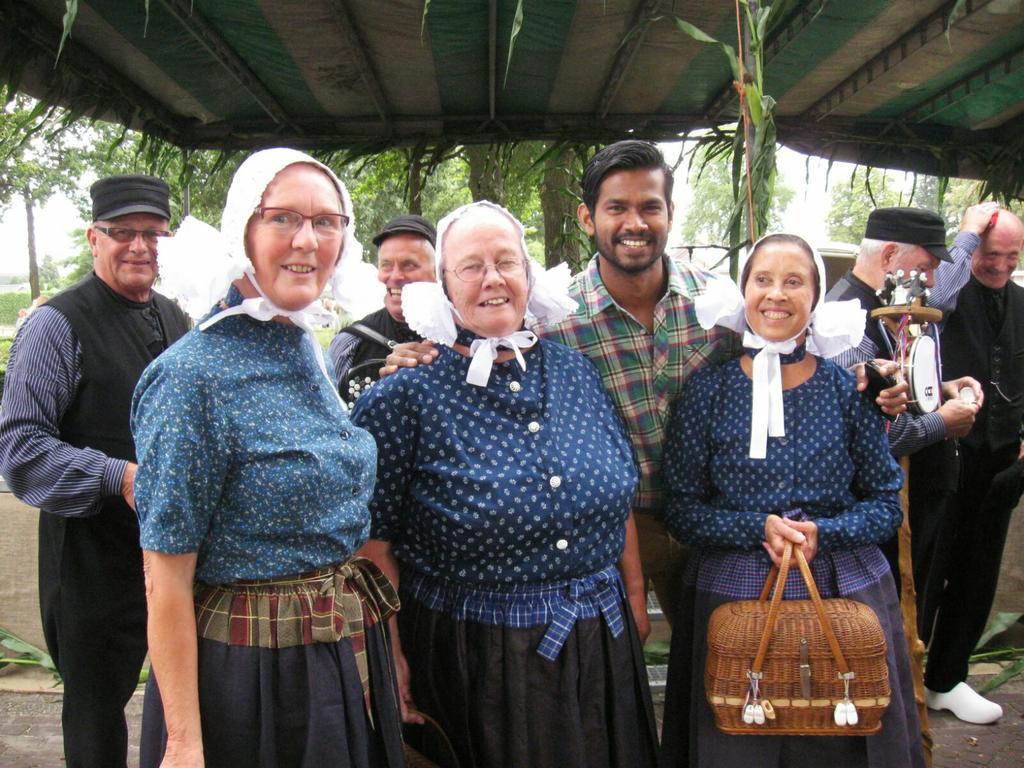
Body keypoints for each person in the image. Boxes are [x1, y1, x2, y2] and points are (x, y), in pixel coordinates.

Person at [352, 200, 658, 768]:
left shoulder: (577, 373)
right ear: (443, 286)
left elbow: (617, 501)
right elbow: (373, 543)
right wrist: (386, 653)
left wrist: (635, 601)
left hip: (600, 641)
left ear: (528, 275)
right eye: (471, 266)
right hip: (477, 657)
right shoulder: (402, 398)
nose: (493, 278)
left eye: (507, 262)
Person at [130, 148, 404, 767]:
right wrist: (183, 744)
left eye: (327, 221)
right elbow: (165, 578)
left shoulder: (303, 345)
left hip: (335, 655)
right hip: (253, 682)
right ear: (243, 234)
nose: (307, 239)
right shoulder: (191, 378)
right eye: (283, 218)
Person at [659, 233, 925, 768]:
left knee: (843, 734)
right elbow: (681, 509)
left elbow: (883, 502)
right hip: (731, 588)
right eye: (763, 279)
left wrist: (824, 534)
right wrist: (756, 527)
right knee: (736, 736)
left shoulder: (846, 389)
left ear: (814, 295)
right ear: (744, 290)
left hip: (841, 584)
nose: (776, 295)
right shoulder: (708, 391)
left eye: (793, 281)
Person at [0, 175, 189, 768]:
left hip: (173, 556)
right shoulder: (56, 325)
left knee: (181, 702)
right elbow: (21, 450)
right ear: (93, 238)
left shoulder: (177, 319)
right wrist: (120, 477)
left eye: (154, 235)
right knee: (95, 713)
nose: (140, 247)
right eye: (124, 233)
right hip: (89, 560)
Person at [824, 206, 989, 624]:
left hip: (924, 493)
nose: (932, 280)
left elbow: (944, 293)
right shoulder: (841, 319)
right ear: (889, 254)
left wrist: (939, 390)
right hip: (879, 510)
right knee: (888, 615)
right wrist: (942, 422)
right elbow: (875, 433)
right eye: (927, 266)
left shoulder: (902, 302)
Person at [922, 209, 1024, 724]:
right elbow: (935, 296)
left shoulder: (1022, 301)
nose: (1001, 266)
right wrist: (965, 235)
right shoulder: (947, 291)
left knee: (977, 576)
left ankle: (948, 678)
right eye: (990, 254)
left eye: (1012, 255)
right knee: (927, 570)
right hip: (942, 458)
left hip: (1002, 463)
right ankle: (909, 678)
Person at [328, 214, 436, 402]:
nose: (394, 276)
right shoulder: (350, 342)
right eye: (386, 265)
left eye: (408, 265)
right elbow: (327, 415)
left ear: (438, 272)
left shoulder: (467, 343)